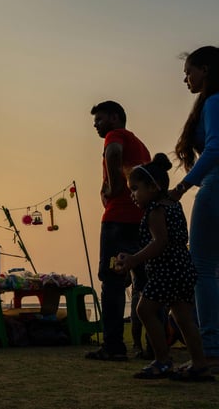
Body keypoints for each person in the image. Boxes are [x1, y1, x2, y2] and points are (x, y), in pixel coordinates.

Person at [115, 154, 213, 381]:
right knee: (183, 318)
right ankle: (200, 365)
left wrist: (133, 260)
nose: (132, 195)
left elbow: (159, 243)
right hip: (183, 269)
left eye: (135, 189)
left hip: (167, 271)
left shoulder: (155, 210)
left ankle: (162, 360)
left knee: (143, 310)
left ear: (153, 186)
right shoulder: (173, 205)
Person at [88, 101, 151, 361]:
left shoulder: (116, 136)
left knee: (112, 282)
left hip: (118, 222)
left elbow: (113, 153)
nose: (95, 125)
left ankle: (113, 346)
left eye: (100, 119)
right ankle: (153, 347)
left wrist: (113, 188)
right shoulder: (140, 145)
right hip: (142, 221)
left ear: (115, 118)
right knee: (146, 284)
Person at [170, 45, 219, 368]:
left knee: (201, 268)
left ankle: (211, 347)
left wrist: (183, 187)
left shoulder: (214, 101)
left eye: (189, 71)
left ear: (205, 70)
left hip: (214, 187)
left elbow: (215, 148)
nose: (185, 78)